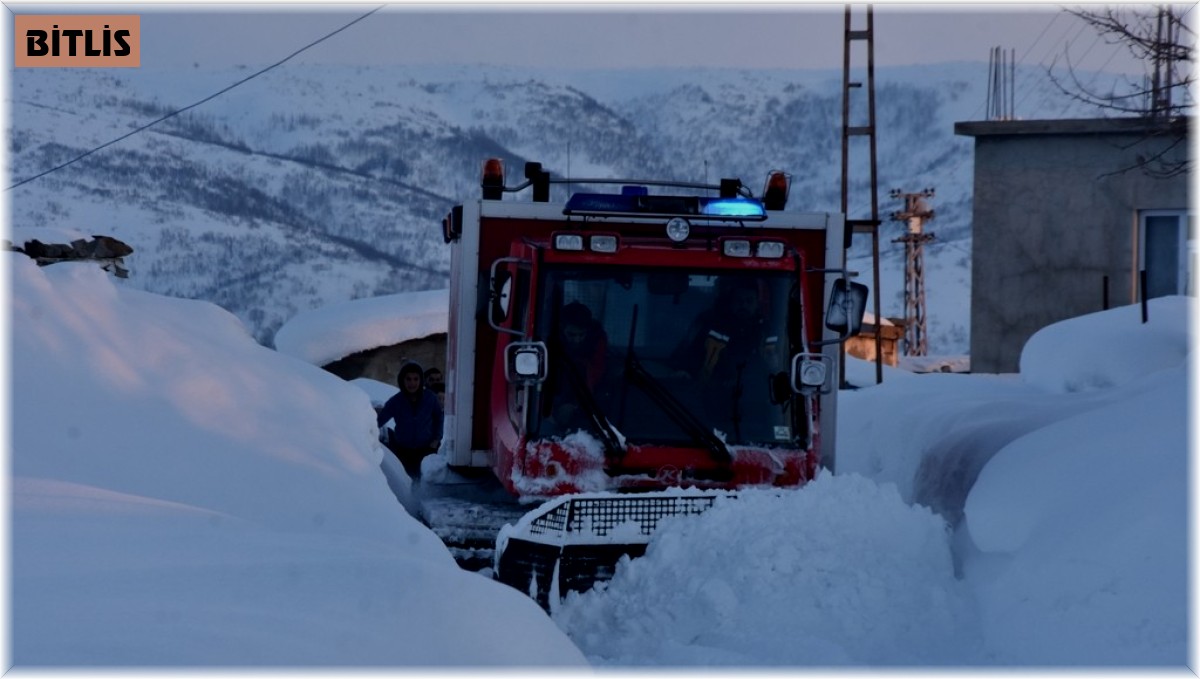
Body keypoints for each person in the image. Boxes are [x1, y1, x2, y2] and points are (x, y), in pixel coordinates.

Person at [545, 301, 608, 432]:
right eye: (572, 335)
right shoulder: (549, 343)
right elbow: (545, 378)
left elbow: (595, 378)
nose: (577, 340)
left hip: (587, 403)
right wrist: (549, 409)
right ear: (562, 329)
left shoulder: (596, 344)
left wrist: (575, 405)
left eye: (581, 335)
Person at [377, 361, 444, 479]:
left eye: (415, 379)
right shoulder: (395, 401)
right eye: (408, 379)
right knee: (406, 481)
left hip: (426, 451)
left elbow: (439, 418)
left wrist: (436, 439)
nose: (412, 383)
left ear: (421, 380)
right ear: (402, 380)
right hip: (402, 451)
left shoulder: (430, 398)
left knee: (425, 482)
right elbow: (379, 420)